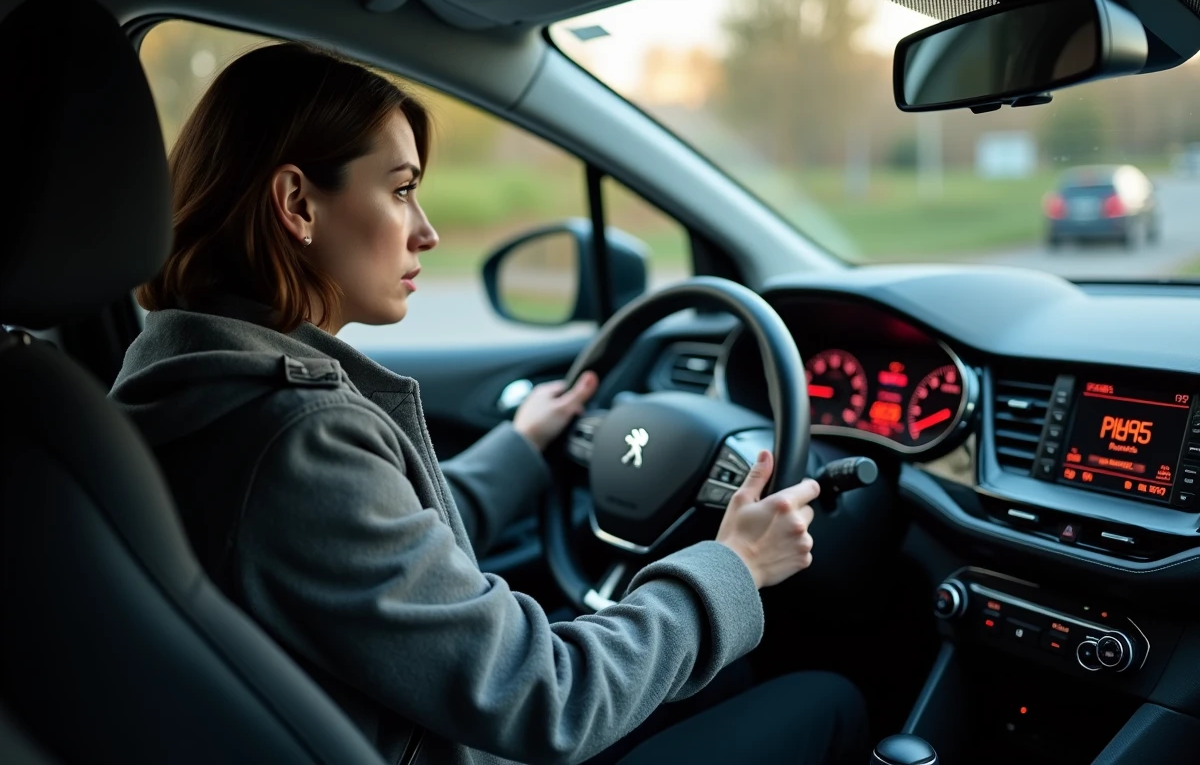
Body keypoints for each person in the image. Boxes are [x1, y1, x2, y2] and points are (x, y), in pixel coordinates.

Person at [110, 42, 868, 765]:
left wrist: (522, 447)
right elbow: (549, 697)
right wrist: (734, 565)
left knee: (727, 679)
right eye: (402, 189)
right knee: (828, 699)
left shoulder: (182, 376)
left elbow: (383, 550)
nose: (428, 231)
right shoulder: (293, 436)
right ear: (297, 203)